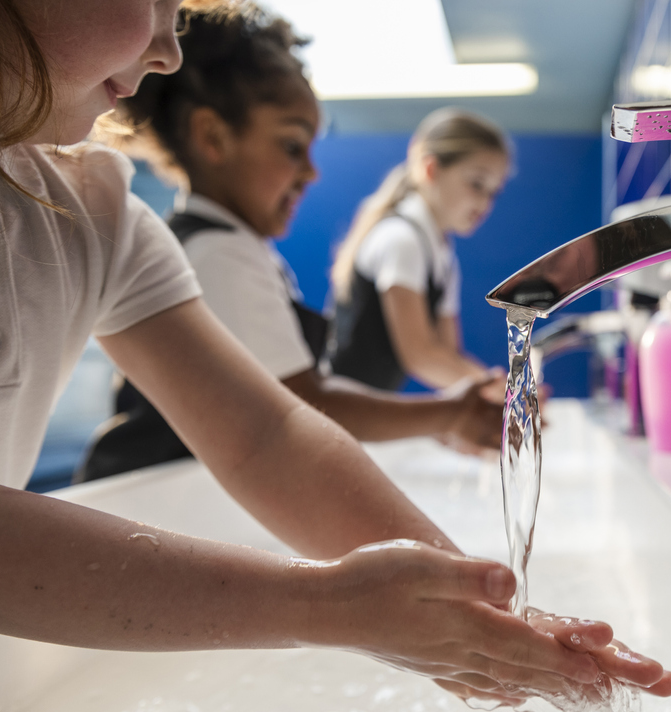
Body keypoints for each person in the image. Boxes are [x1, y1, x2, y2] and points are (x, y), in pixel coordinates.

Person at [0, 0, 671, 706]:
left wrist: (470, 603)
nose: (166, 49)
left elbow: (268, 434)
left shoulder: (96, 206)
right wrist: (328, 605)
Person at [74, 6, 502, 482]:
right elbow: (304, 405)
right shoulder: (218, 254)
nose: (311, 172)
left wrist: (446, 417)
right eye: (292, 147)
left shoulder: (233, 245)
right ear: (212, 136)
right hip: (151, 497)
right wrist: (447, 414)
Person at [327, 108, 508, 395]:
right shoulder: (401, 240)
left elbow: (448, 357)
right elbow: (421, 356)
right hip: (337, 412)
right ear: (430, 169)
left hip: (371, 413)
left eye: (494, 192)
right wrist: (505, 391)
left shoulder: (442, 254)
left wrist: (486, 400)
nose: (485, 203)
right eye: (477, 184)